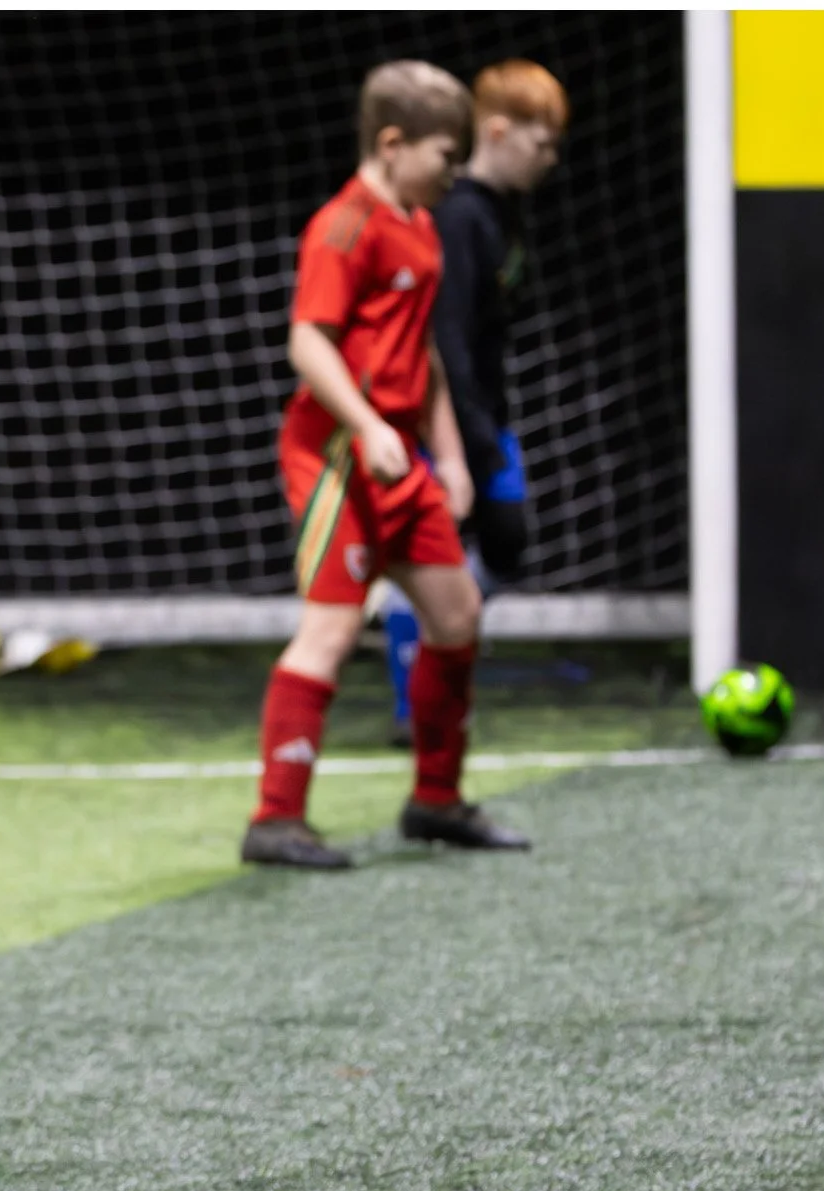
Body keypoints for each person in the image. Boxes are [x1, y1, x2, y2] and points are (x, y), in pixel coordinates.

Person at [240, 60, 530, 871]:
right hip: (338, 455)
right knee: (331, 629)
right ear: (393, 143)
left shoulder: (422, 223)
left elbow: (425, 352)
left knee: (457, 615)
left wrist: (448, 451)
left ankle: (435, 801)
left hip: (401, 458)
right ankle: (274, 820)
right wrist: (366, 423)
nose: (454, 170)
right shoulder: (343, 226)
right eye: (446, 154)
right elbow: (308, 343)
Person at [379, 59, 570, 743]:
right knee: (443, 555)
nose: (548, 159)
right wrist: (468, 438)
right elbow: (445, 338)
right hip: (451, 420)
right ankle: (415, 693)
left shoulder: (502, 212)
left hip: (487, 407)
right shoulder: (459, 218)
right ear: (498, 131)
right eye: (541, 143)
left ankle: (428, 646)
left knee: (504, 544)